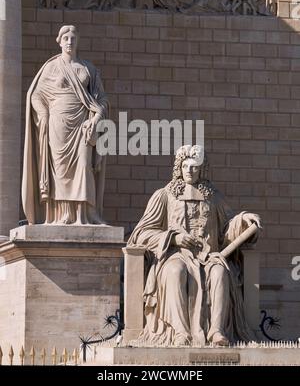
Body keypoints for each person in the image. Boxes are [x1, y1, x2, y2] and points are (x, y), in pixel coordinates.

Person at [128, 145, 261, 346]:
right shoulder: (164, 195)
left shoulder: (214, 197)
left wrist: (243, 220)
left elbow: (227, 227)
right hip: (175, 256)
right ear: (178, 168)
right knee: (175, 272)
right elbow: (141, 233)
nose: (189, 170)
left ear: (202, 169)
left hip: (208, 257)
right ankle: (180, 332)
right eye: (185, 166)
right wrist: (173, 238)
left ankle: (216, 331)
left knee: (220, 273)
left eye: (194, 167)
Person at [22, 25, 109, 225]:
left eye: (73, 38)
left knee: (84, 165)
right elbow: (35, 94)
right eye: (66, 38)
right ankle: (63, 214)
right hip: (58, 122)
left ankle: (86, 214)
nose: (70, 41)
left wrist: (96, 119)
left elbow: (101, 99)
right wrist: (43, 114)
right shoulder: (51, 67)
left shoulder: (89, 69)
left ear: (78, 41)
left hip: (83, 123)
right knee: (60, 169)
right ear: (59, 41)